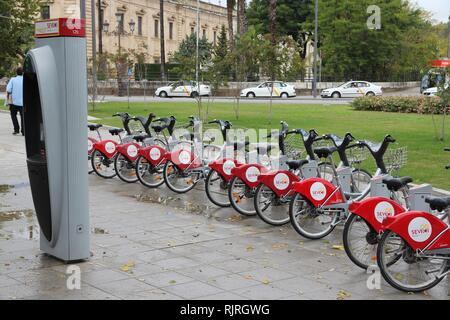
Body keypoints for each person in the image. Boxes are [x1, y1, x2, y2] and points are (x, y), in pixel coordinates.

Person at [6, 67, 24, 135]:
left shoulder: (13, 79)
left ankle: (16, 129)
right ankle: (23, 131)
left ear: (16, 72)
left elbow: (9, 90)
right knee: (23, 117)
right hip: (23, 103)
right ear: (23, 73)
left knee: (13, 115)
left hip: (14, 102)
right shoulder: (25, 80)